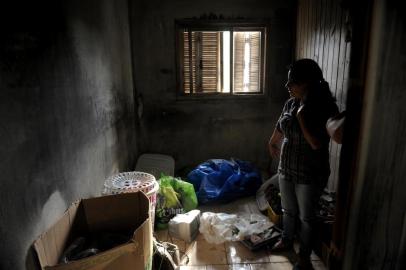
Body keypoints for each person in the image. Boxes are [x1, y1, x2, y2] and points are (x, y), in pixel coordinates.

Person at [268, 59, 338, 270]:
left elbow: (316, 143)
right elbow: (281, 125)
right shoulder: (290, 103)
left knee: (307, 217)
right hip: (287, 167)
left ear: (307, 83)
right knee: (288, 210)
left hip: (310, 173)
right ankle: (287, 239)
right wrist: (272, 141)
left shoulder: (325, 107)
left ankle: (305, 256)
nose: (287, 86)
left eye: (292, 83)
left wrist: (301, 117)